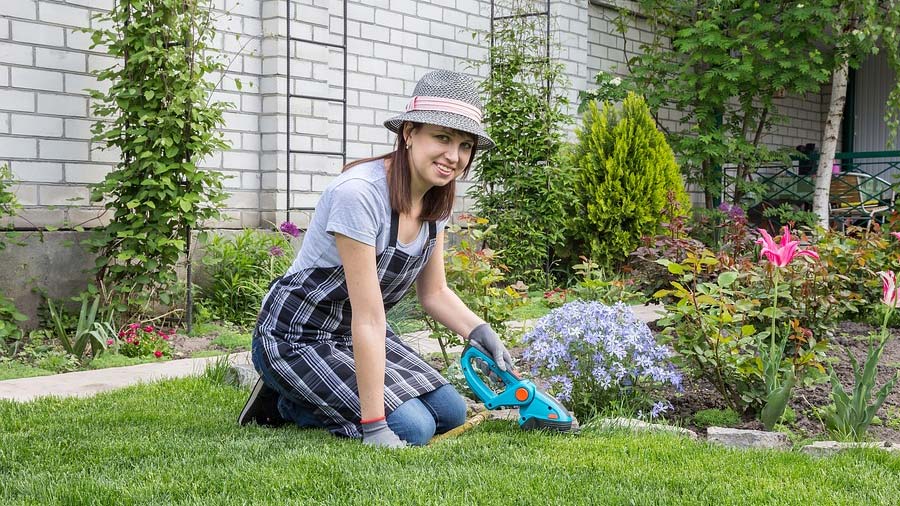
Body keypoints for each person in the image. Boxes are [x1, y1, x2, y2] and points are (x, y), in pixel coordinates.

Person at [238, 70, 515, 448]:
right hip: (297, 336)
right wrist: (373, 426)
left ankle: (313, 392)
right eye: (443, 137)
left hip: (357, 334)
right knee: (413, 429)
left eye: (465, 145)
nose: (454, 156)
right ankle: (286, 400)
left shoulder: (436, 200)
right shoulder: (360, 195)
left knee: (451, 412)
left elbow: (434, 292)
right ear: (409, 133)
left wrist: (478, 330)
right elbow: (369, 318)